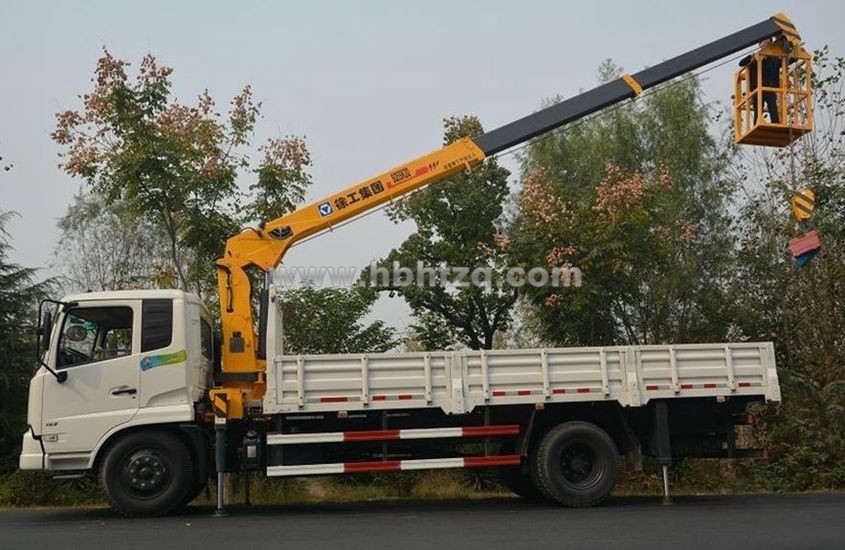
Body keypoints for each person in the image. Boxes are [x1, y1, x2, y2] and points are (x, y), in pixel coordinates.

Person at [739, 43, 782, 124]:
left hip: (770, 89)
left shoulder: (774, 59)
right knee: (758, 114)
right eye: (764, 43)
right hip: (758, 90)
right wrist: (750, 57)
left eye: (768, 42)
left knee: (774, 112)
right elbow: (741, 63)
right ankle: (757, 124)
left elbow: (785, 62)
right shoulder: (755, 58)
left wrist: (793, 56)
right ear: (760, 45)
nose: (766, 45)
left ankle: (776, 124)